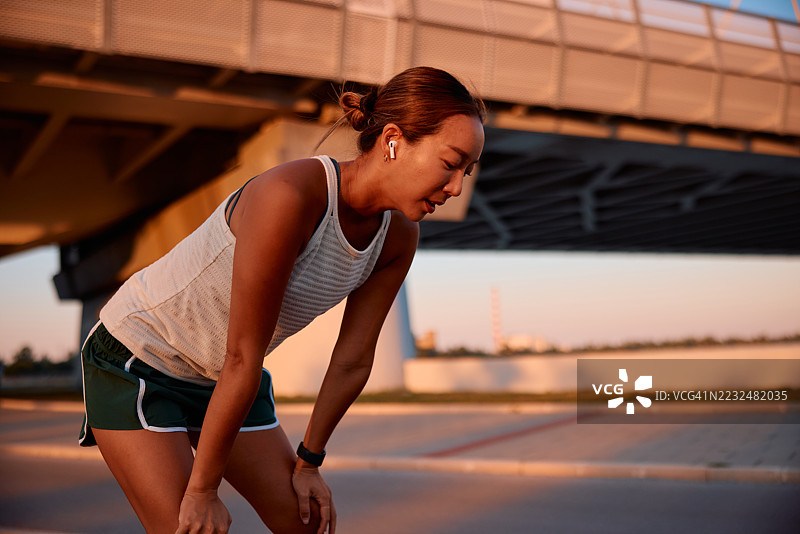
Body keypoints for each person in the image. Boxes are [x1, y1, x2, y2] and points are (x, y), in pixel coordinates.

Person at [77, 65, 486, 534]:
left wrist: (309, 461)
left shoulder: (398, 237)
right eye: (451, 163)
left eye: (467, 171)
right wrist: (202, 490)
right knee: (191, 529)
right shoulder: (289, 196)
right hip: (138, 358)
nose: (456, 187)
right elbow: (242, 354)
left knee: (307, 522)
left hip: (224, 376)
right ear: (393, 139)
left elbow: (353, 359)